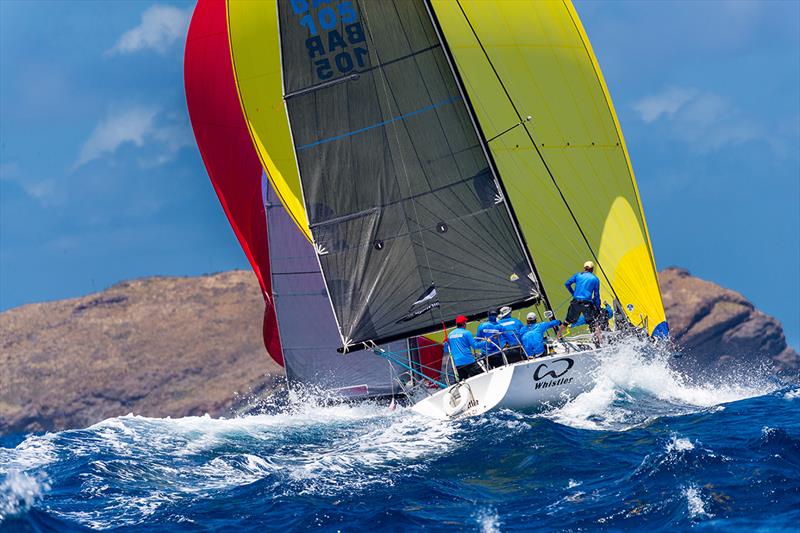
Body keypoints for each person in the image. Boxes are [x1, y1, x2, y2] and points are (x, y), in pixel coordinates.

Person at [558, 260, 602, 344]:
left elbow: (567, 284)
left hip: (575, 302)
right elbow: (596, 295)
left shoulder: (578, 275)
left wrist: (573, 293)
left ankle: (558, 337)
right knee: (594, 323)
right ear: (592, 269)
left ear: (584, 268)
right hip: (587, 304)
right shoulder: (595, 279)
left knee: (567, 322)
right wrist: (598, 306)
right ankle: (599, 342)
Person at [444, 315, 484, 380]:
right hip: (469, 362)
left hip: (458, 364)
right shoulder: (467, 333)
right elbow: (475, 346)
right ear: (464, 323)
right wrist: (486, 342)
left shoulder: (450, 335)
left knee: (463, 382)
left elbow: (446, 348)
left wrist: (447, 341)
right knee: (482, 377)